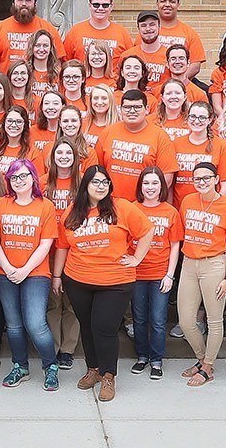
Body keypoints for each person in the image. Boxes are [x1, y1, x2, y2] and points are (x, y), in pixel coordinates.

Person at [53, 165, 156, 403]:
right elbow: (62, 246)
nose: (101, 187)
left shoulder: (122, 207)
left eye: (105, 182)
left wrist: (137, 257)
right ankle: (94, 369)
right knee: (87, 327)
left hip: (115, 282)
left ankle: (109, 375)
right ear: (85, 185)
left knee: (104, 329)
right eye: (95, 182)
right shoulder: (72, 212)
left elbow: (147, 231)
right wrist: (57, 276)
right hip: (78, 279)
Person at [0, 159, 60, 390]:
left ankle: (51, 366)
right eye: (14, 177)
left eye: (24, 175)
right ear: (8, 180)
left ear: (33, 178)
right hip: (4, 272)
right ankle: (20, 366)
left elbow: (46, 243)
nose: (19, 181)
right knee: (14, 324)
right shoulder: (1, 204)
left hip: (36, 274)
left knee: (36, 323)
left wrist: (25, 270)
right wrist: (8, 268)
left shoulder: (45, 206)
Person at [176, 161, 226, 387]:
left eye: (207, 178)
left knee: (214, 320)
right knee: (186, 320)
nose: (202, 182)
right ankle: (201, 357)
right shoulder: (187, 201)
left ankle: (208, 366)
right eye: (197, 178)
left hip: (214, 264)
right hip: (189, 263)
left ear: (216, 179)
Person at [126, 167, 180, 380]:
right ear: (140, 186)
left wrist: (170, 275)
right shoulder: (131, 208)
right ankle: (142, 356)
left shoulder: (170, 211)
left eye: (155, 183)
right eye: (146, 183)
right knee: (139, 319)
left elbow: (175, 245)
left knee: (158, 320)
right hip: (136, 274)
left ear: (162, 186)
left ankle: (156, 360)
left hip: (160, 274)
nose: (150, 188)